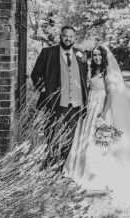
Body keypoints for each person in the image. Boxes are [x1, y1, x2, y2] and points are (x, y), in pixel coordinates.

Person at [64, 45, 130, 207]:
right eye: (95, 55)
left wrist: (103, 115)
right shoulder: (93, 71)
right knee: (86, 139)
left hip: (101, 110)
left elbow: (111, 96)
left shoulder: (107, 74)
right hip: (90, 109)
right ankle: (83, 170)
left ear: (104, 57)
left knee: (99, 143)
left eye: (99, 55)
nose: (97, 58)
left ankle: (98, 173)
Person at [30, 26, 88, 166]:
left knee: (70, 137)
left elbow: (84, 79)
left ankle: (64, 166)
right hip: (55, 104)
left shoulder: (81, 55)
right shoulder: (48, 53)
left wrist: (85, 102)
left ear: (74, 38)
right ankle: (50, 164)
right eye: (65, 35)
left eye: (71, 36)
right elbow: (35, 74)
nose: (68, 38)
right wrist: (44, 90)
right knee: (51, 133)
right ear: (60, 36)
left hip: (75, 105)